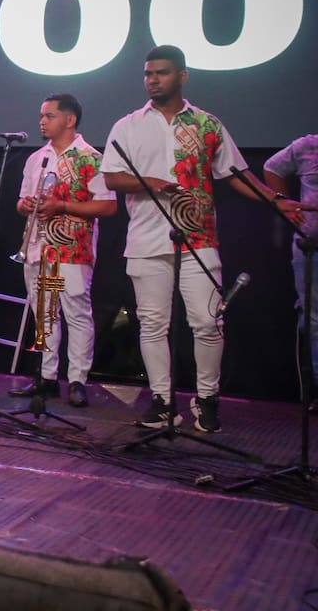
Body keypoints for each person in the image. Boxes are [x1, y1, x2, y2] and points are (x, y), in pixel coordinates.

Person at [101, 44, 300, 432]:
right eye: (148, 73)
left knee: (209, 322)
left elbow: (236, 173)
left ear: (182, 76)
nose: (153, 80)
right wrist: (153, 183)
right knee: (153, 323)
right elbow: (110, 177)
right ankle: (161, 401)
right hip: (146, 237)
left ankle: (207, 400)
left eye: (161, 73)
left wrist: (275, 200)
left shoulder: (207, 124)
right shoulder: (127, 125)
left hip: (199, 236)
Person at [7, 93, 116, 407]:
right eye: (42, 115)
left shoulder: (92, 158)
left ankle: (78, 379)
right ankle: (47, 377)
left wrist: (64, 206)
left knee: (76, 314)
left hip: (71, 250)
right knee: (45, 316)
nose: (42, 121)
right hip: (39, 248)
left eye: (49, 115)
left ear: (69, 120)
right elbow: (20, 202)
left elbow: (108, 206)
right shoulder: (36, 158)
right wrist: (25, 205)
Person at [264, 134, 318, 414]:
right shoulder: (309, 145)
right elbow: (272, 168)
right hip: (311, 248)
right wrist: (284, 203)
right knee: (313, 320)